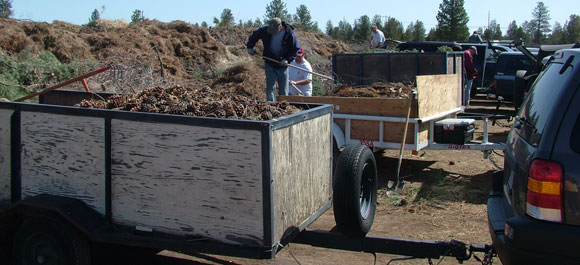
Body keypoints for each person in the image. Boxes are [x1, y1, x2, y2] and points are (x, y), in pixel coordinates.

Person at [246, 17, 300, 101]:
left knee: (283, 91)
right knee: (270, 89)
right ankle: (271, 106)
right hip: (269, 62)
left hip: (282, 65)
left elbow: (295, 49)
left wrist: (287, 59)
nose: (272, 33)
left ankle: (285, 107)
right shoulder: (264, 30)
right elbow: (254, 36)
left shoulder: (289, 33)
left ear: (280, 27)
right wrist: (250, 47)